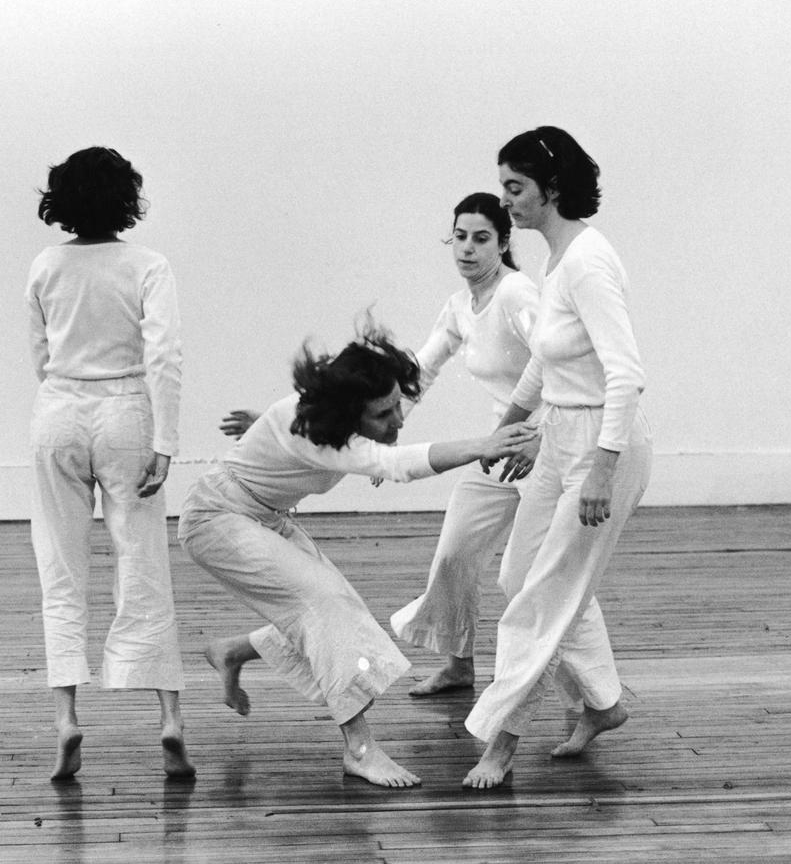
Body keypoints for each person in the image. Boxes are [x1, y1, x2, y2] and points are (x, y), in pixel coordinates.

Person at [180, 326, 537, 788]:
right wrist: (481, 445)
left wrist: (261, 431)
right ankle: (360, 749)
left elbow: (321, 442)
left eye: (396, 405)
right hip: (217, 520)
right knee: (325, 605)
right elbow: (394, 464)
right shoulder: (316, 431)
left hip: (261, 516)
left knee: (328, 609)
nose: (397, 420)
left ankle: (230, 651)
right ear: (350, 412)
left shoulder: (319, 421)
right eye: (384, 413)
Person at [462, 126, 652, 790]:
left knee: (542, 598)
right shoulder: (557, 260)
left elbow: (626, 373)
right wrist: (507, 425)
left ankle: (501, 743)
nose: (506, 199)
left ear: (552, 188)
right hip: (560, 436)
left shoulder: (589, 262)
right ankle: (603, 702)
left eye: (515, 187)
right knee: (520, 577)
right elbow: (545, 361)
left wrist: (601, 467)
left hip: (604, 444)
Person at [25, 147, 193, 781]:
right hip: (126, 410)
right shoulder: (147, 265)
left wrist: (64, 393)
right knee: (143, 561)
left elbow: (38, 352)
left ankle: (67, 717)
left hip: (59, 409)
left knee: (60, 569)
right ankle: (169, 719)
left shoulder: (46, 264)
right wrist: (166, 440)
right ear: (128, 196)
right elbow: (166, 357)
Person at [388, 192, 540, 695]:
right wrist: (384, 433)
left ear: (502, 243)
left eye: (481, 239)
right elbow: (422, 369)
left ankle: (580, 696)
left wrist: (541, 437)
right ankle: (458, 665)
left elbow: (558, 363)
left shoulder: (517, 294)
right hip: (499, 446)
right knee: (455, 553)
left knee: (535, 577)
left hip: (544, 445)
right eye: (460, 237)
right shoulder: (459, 306)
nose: (468, 249)